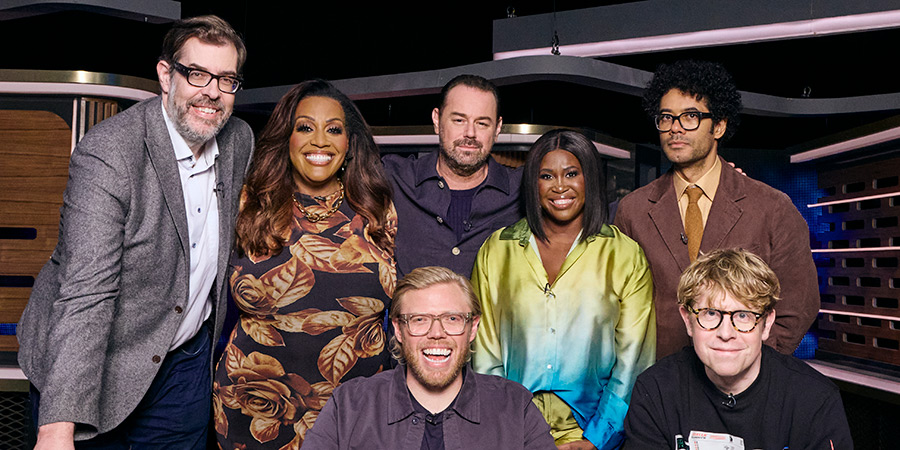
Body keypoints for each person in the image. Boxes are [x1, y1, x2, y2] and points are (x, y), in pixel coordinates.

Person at [16, 15, 252, 449]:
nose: (212, 92)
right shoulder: (110, 154)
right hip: (98, 364)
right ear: (166, 75)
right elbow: (87, 292)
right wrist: (57, 428)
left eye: (226, 79)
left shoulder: (238, 139)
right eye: (197, 74)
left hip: (183, 363)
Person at [212, 79, 396, 449]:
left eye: (334, 130)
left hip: (357, 412)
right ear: (287, 138)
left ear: (350, 142)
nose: (320, 141)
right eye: (305, 128)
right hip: (256, 408)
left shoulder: (377, 208)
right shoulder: (250, 203)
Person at [614, 60, 819, 359]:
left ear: (719, 126)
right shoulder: (632, 210)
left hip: (744, 387)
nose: (675, 129)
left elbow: (798, 305)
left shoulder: (772, 208)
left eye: (691, 117)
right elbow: (619, 306)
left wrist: (749, 367)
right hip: (659, 383)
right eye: (666, 118)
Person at [472, 129, 655, 450]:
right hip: (514, 432)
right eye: (546, 176)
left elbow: (634, 361)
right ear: (533, 183)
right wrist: (509, 431)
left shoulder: (625, 254)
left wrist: (598, 440)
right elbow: (484, 354)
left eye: (572, 173)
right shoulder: (497, 251)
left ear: (590, 179)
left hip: (591, 434)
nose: (560, 186)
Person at [303, 266, 555, 449]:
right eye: (419, 320)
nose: (437, 334)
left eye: (452, 319)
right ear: (399, 330)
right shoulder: (349, 405)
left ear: (473, 328)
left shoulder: (514, 406)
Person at [623, 248, 852, 449]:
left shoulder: (814, 399)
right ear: (687, 320)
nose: (725, 333)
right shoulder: (655, 391)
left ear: (767, 323)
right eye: (710, 313)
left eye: (743, 315)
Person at [383, 74, 522, 278]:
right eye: (459, 120)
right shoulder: (394, 177)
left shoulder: (522, 188)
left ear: (498, 128)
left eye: (482, 123)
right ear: (437, 120)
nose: (470, 133)